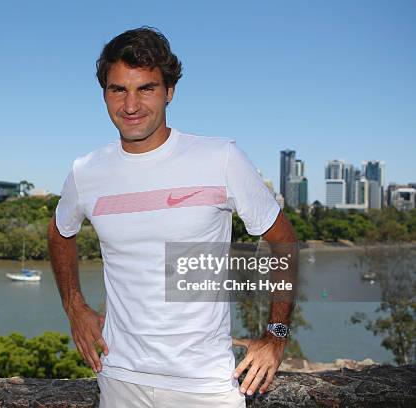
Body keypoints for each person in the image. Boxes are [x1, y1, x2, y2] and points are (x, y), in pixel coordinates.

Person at [47, 27, 297, 408]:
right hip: (119, 378)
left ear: (169, 92)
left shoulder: (220, 158)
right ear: (104, 93)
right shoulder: (87, 171)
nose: (131, 105)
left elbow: (283, 240)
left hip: (206, 386)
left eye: (146, 88)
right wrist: (75, 306)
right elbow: (60, 231)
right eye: (118, 90)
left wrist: (275, 336)